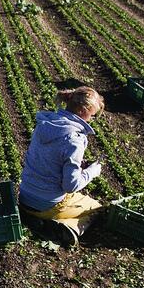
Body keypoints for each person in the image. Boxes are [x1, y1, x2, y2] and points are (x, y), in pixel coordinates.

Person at [18, 87, 105, 246]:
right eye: (92, 115)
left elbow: (49, 158)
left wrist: (78, 166)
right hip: (47, 204)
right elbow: (70, 185)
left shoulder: (44, 124)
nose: (91, 119)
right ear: (82, 110)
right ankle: (68, 228)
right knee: (98, 208)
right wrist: (92, 172)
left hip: (24, 196)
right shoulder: (75, 140)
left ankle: (30, 216)